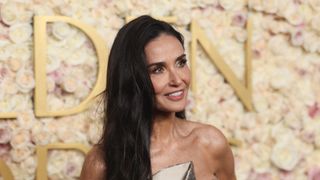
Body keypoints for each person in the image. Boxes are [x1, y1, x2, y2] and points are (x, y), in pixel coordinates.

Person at [80, 15, 236, 180]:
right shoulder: (100, 164)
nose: (177, 80)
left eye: (181, 63)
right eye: (158, 69)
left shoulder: (211, 143)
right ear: (132, 79)